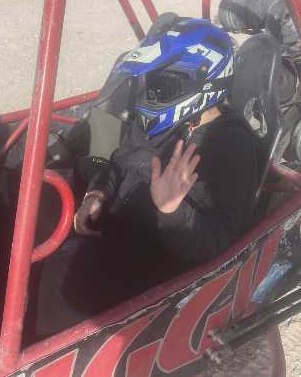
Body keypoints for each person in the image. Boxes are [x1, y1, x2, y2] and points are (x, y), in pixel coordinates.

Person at [35, 17, 264, 337]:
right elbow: (121, 157)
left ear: (202, 83)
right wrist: (98, 192)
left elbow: (220, 245)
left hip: (163, 265)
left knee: (63, 277)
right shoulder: (165, 121)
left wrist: (172, 211)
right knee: (26, 202)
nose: (151, 94)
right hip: (118, 224)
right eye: (151, 81)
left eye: (161, 85)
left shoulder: (231, 145)